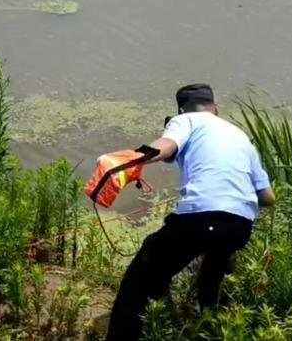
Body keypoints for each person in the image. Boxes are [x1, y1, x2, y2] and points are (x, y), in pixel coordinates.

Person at [105, 84, 276, 341]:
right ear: (215, 108)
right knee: (213, 264)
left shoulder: (185, 120)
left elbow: (166, 146)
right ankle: (210, 324)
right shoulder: (241, 137)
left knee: (143, 275)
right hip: (240, 226)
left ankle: (125, 335)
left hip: (201, 218)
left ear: (180, 109)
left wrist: (135, 157)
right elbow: (268, 197)